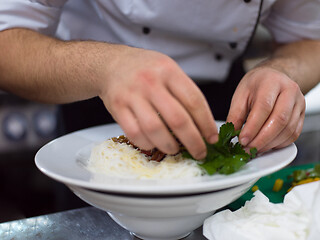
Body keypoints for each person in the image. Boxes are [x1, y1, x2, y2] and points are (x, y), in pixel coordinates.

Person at [0, 0, 319, 160]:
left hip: (225, 108)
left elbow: (310, 38)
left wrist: (283, 72)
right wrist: (106, 67)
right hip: (94, 97)